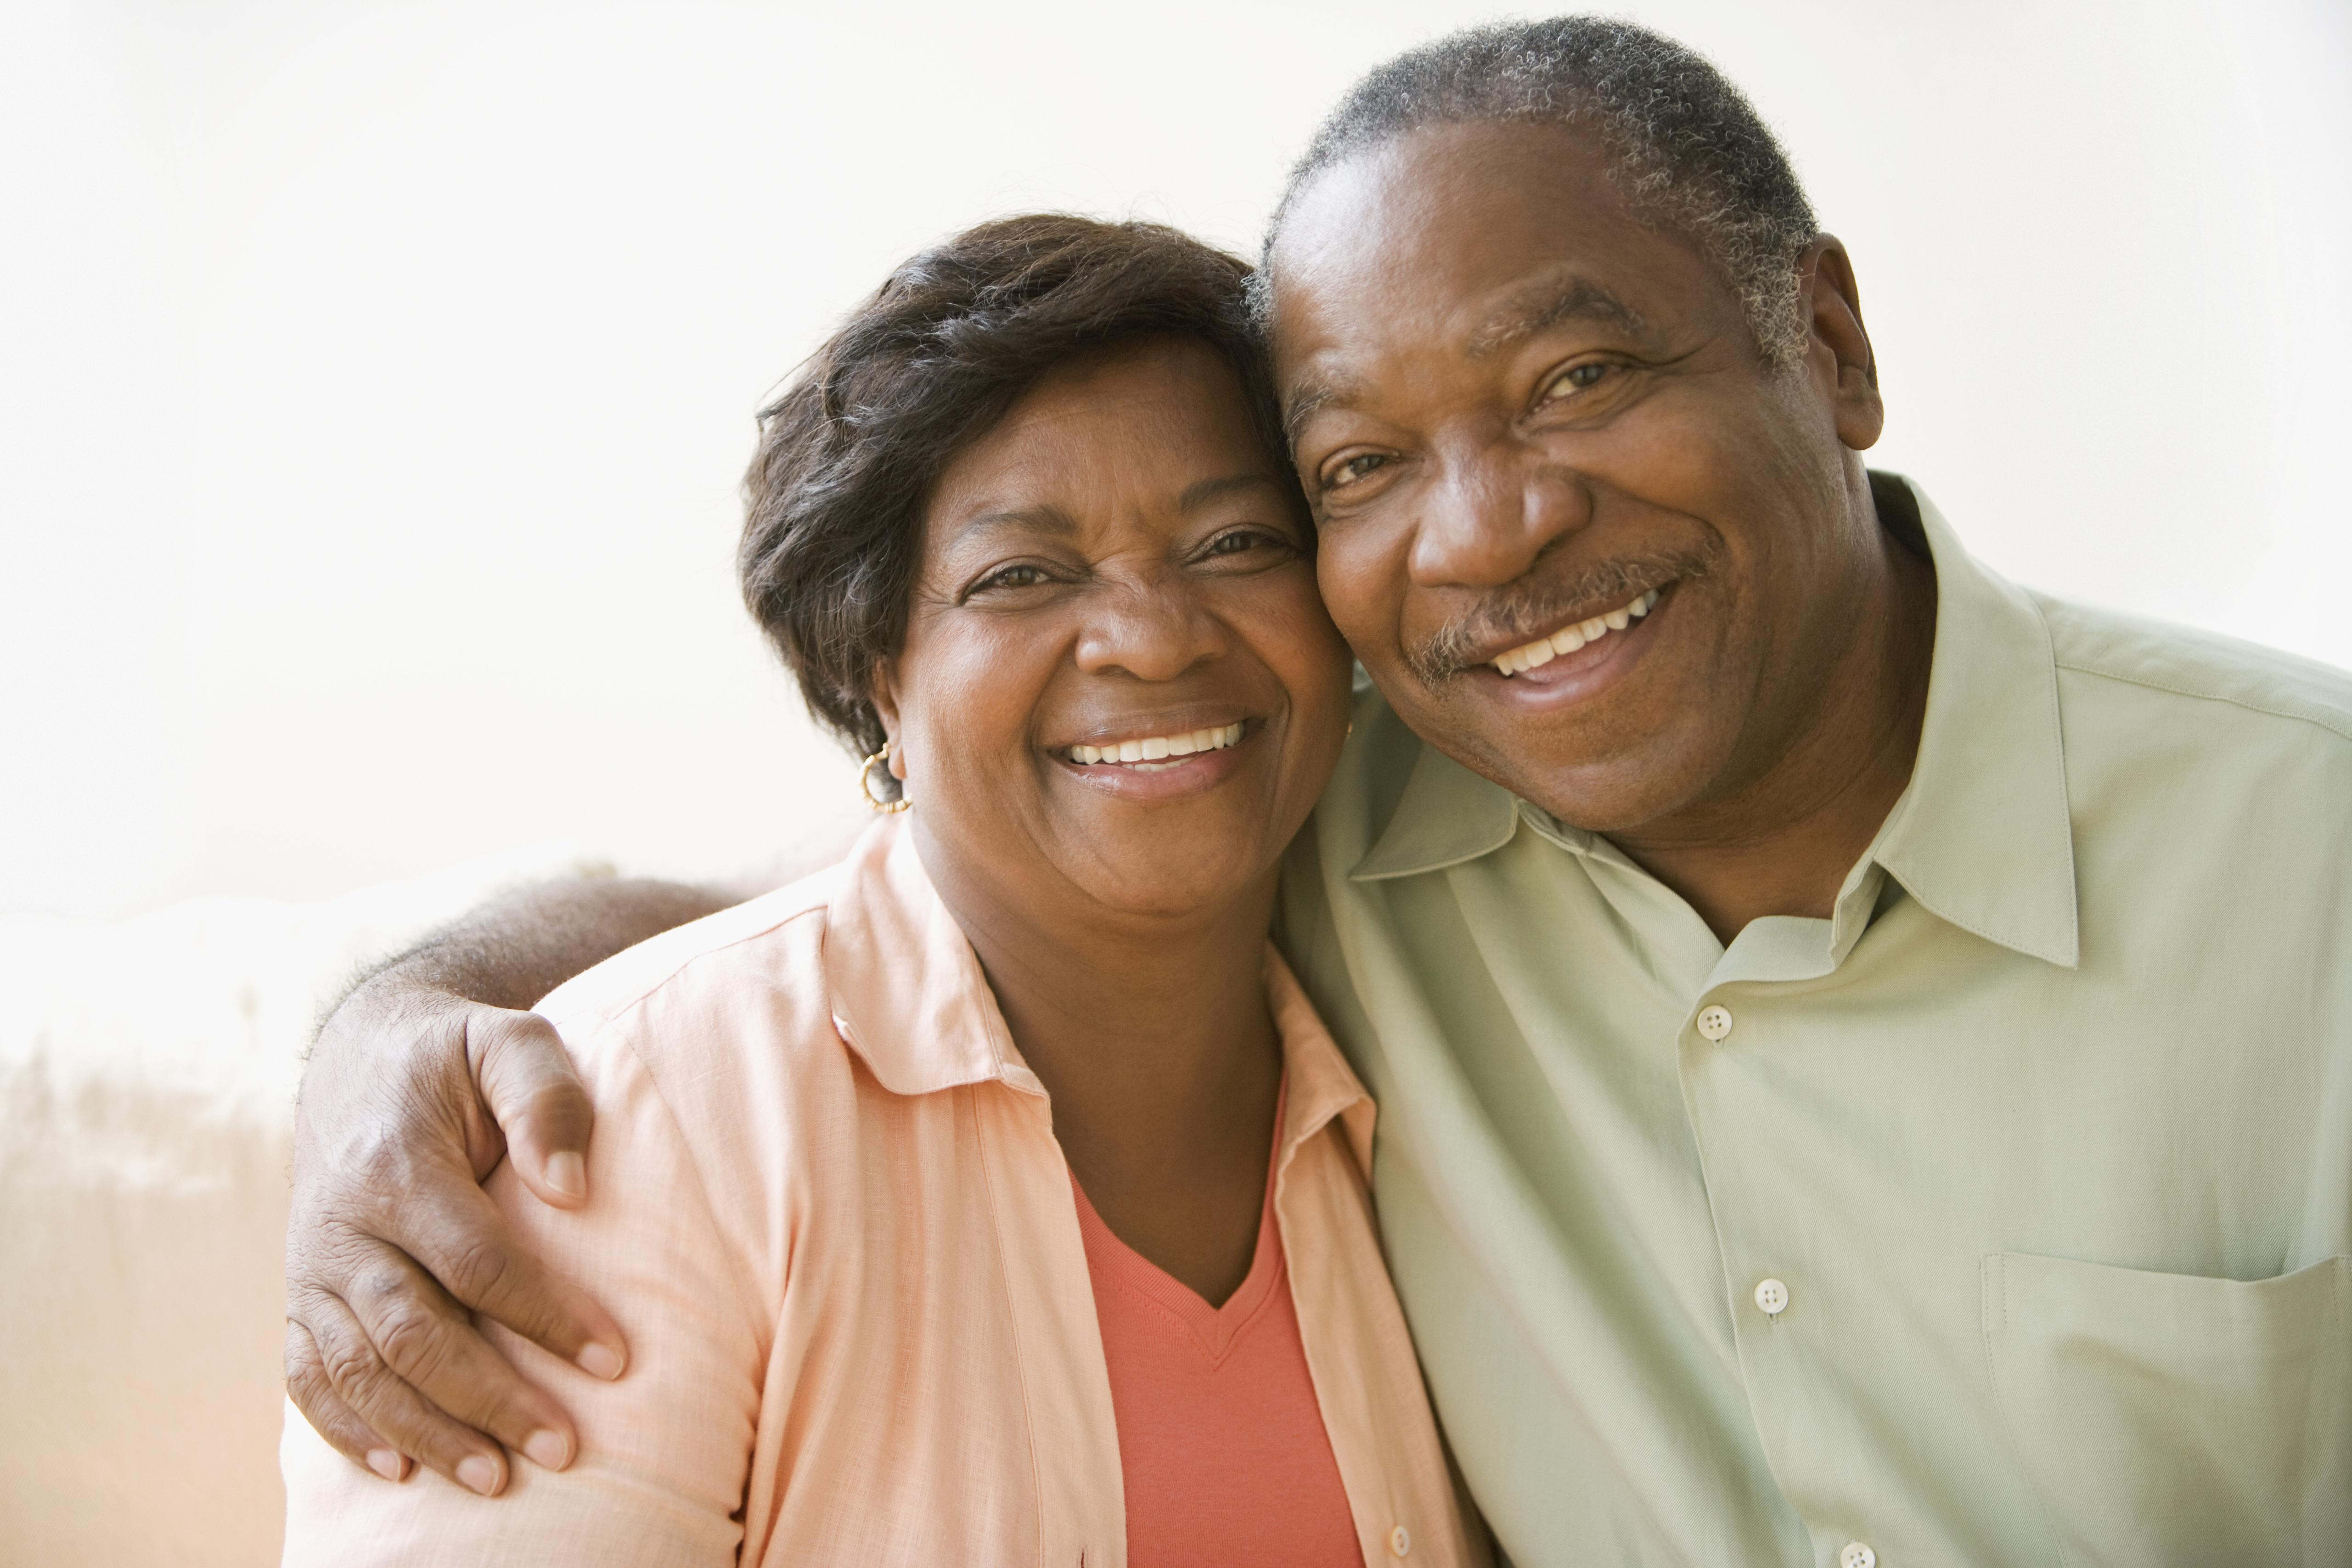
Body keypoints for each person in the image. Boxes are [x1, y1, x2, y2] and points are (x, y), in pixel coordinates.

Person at [287, 17, 2352, 1566]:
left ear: (1827, 341)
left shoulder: (2307, 866)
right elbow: (851, 909)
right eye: (1362, 466)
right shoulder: (1306, 824)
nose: (1492, 530)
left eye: (1578, 378)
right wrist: (384, 1026)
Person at [277, 214, 1486, 1567]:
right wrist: (375, 1021)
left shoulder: (1429, 1024)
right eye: (1019, 574)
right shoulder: (630, 1127)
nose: (1152, 638)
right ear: (876, 673)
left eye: (1238, 545)